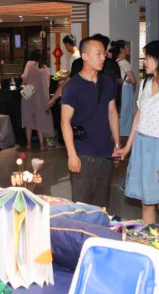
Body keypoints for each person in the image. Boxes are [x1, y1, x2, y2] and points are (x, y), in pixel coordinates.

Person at [117, 41, 159, 228]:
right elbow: (138, 118)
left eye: (148, 57)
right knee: (146, 204)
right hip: (141, 147)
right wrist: (127, 147)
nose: (144, 61)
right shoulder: (146, 83)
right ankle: (149, 241)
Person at [61, 37, 120, 208]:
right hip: (83, 153)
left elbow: (112, 113)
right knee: (82, 204)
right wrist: (72, 154)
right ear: (85, 56)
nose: (103, 58)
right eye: (98, 54)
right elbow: (65, 121)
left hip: (105, 152)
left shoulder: (107, 82)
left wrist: (117, 145)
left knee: (102, 204)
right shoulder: (73, 86)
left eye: (104, 54)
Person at [21, 49, 54, 150]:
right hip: (42, 96)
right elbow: (47, 84)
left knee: (28, 120)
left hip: (29, 92)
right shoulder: (46, 68)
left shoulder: (29, 63)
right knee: (41, 120)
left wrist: (26, 82)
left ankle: (28, 144)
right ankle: (42, 145)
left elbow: (24, 77)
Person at [46, 34, 79, 109]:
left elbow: (74, 75)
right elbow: (74, 71)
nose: (66, 48)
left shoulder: (75, 56)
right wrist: (66, 71)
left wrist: (61, 79)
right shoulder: (77, 54)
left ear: (67, 44)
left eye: (65, 45)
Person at [113, 40, 137, 140]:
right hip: (126, 89)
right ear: (122, 49)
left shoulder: (116, 61)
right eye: (127, 47)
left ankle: (119, 133)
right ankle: (124, 135)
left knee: (122, 111)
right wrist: (132, 82)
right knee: (126, 112)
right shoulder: (124, 62)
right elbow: (133, 80)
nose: (128, 49)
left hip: (119, 89)